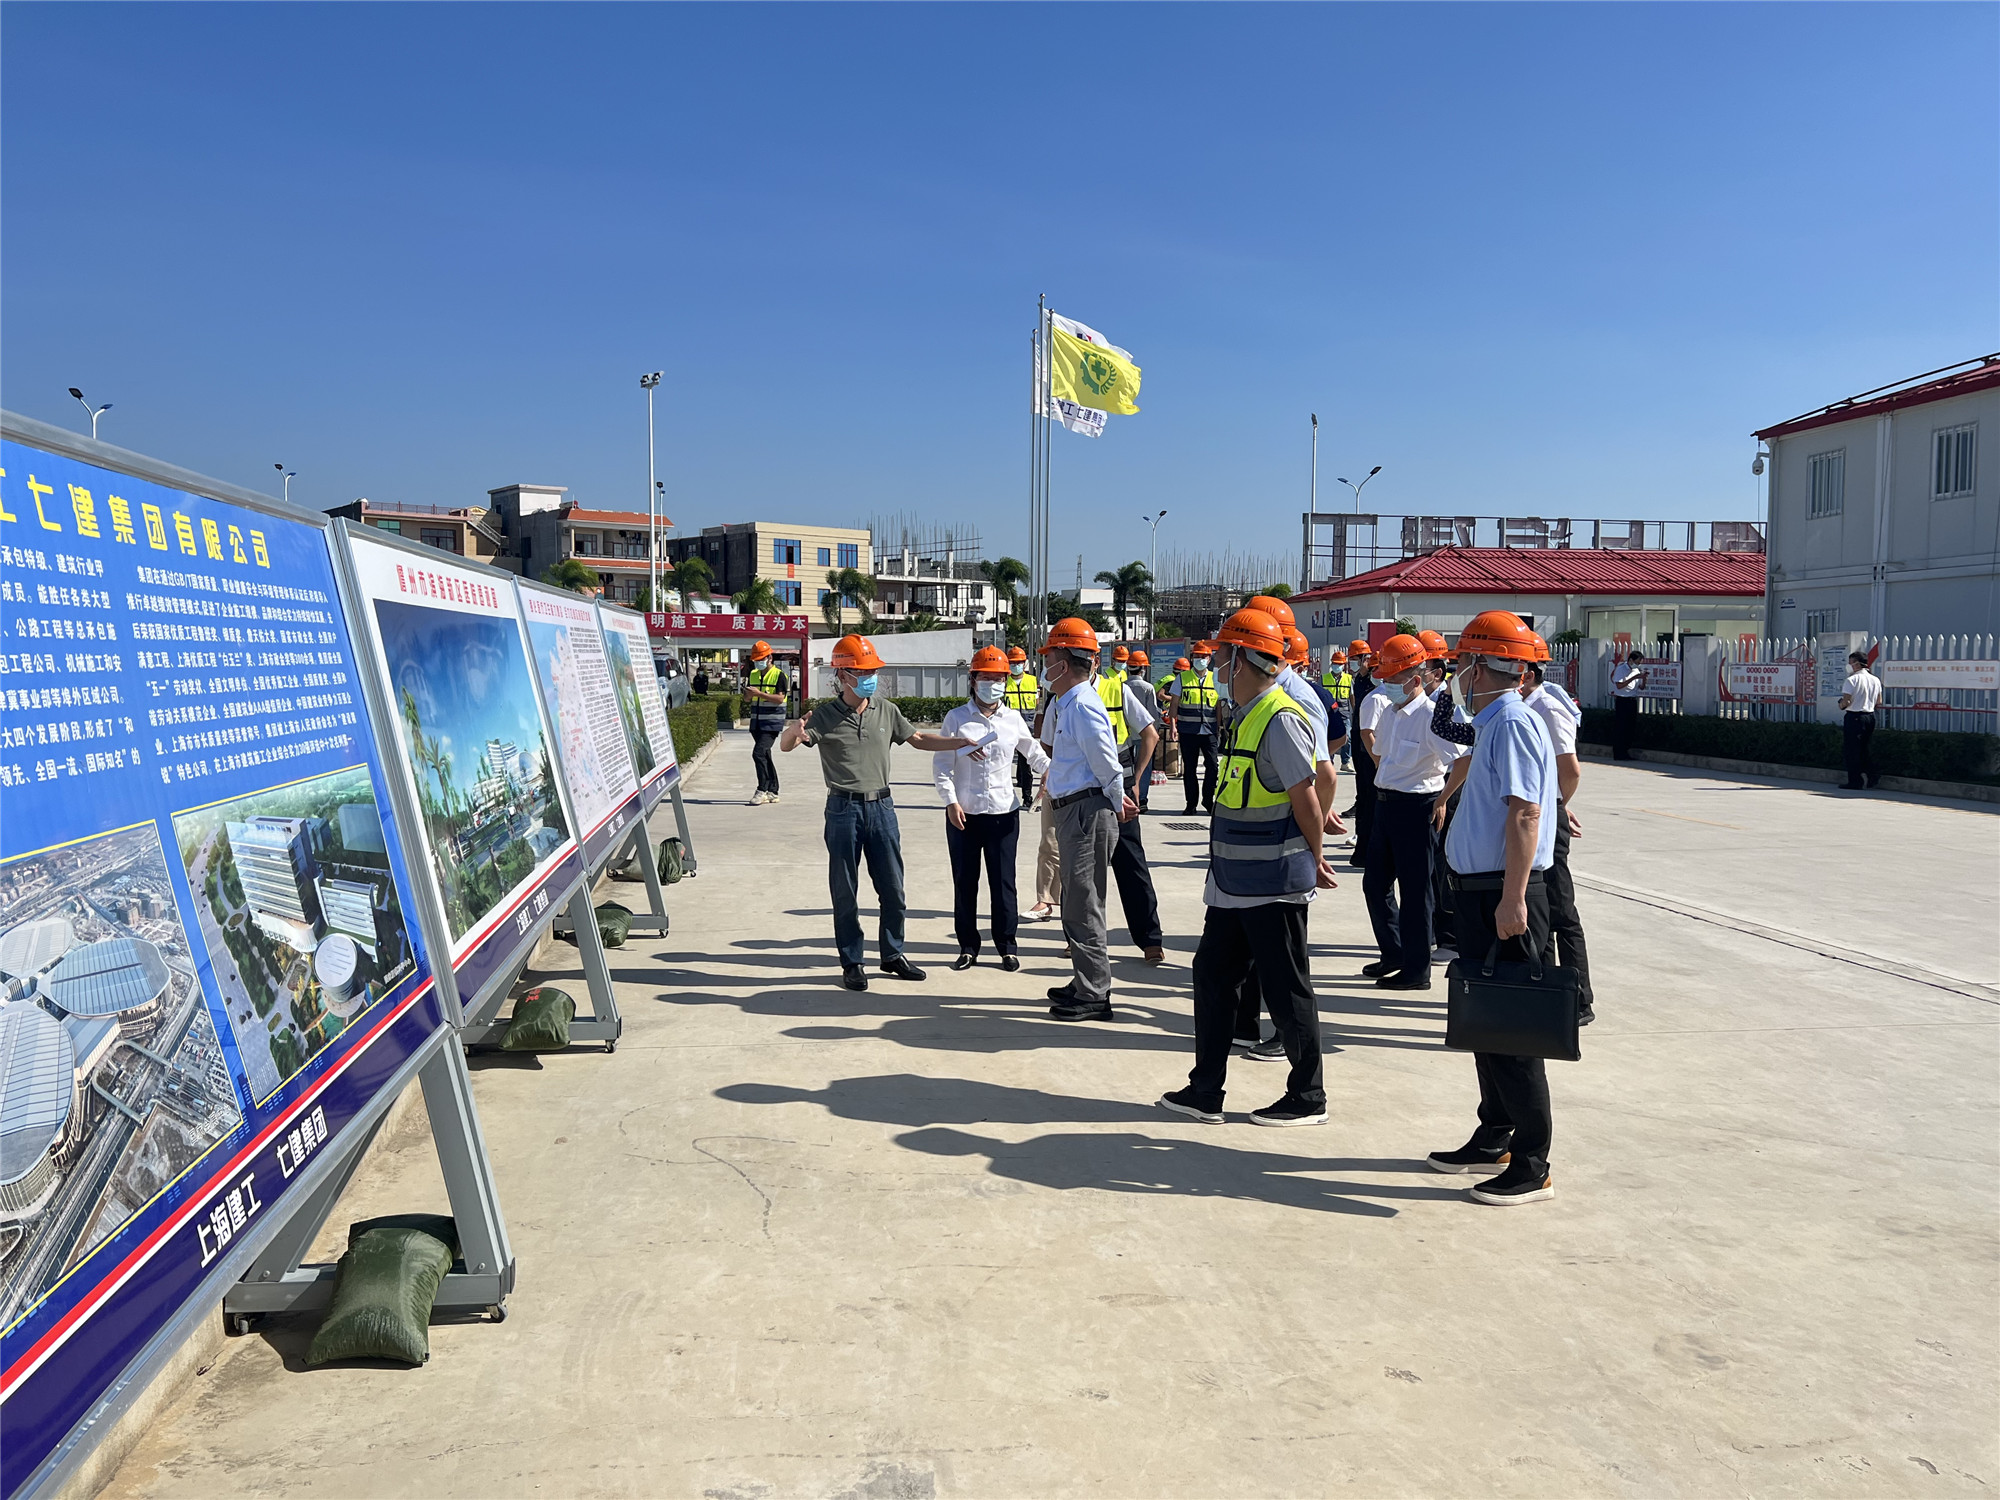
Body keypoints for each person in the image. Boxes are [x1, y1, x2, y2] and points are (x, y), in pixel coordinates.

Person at [1157, 608, 1340, 1128]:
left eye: (1220, 654)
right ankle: (1205, 1090)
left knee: (1286, 989)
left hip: (1273, 883)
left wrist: (1314, 858)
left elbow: (1307, 797)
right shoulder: (1247, 713)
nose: (1214, 663)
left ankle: (1308, 1096)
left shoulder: (1280, 718)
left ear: (1240, 658)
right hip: (1235, 884)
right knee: (1212, 976)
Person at [1428, 609, 1562, 1206]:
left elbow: (1525, 813)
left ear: (1480, 666)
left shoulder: (1510, 723)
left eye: (1461, 662)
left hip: (1503, 893)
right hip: (1482, 889)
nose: (1456, 672)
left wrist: (1512, 898)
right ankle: (1495, 1133)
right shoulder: (1491, 723)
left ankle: (1532, 1162)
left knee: (1512, 1030)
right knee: (1486, 1022)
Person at [780, 634, 972, 991]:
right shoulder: (824, 716)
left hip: (882, 807)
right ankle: (852, 961)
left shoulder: (886, 710)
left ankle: (892, 954)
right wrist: (792, 733)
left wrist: (957, 742)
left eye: (873, 671)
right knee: (845, 890)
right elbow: (788, 745)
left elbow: (918, 739)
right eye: (863, 671)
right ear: (843, 675)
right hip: (843, 809)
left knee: (893, 888)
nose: (871, 677)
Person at [1038, 618, 1140, 1022]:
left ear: (1064, 664)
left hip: (1086, 811)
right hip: (1074, 809)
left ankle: (1095, 992)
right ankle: (1086, 980)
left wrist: (1117, 801)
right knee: (1075, 901)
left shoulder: (1081, 705)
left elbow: (1105, 760)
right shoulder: (1068, 703)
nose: (1045, 667)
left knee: (1084, 904)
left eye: (1049, 659)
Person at [1361, 633, 1465, 991]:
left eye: (1393, 679)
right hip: (1386, 805)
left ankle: (1417, 969)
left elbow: (1463, 760)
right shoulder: (1392, 713)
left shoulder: (1431, 717)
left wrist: (1442, 799)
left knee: (1416, 891)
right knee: (1374, 884)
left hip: (1417, 808)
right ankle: (1394, 953)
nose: (1387, 685)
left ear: (1415, 679)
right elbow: (1384, 756)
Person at [935, 646, 1049, 972]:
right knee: (965, 883)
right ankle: (968, 947)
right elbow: (942, 765)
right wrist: (950, 801)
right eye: (986, 677)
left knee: (1003, 883)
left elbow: (1033, 752)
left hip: (1003, 814)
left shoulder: (1012, 719)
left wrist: (1051, 772)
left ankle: (1007, 947)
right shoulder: (956, 718)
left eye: (998, 678)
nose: (992, 684)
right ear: (973, 680)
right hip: (964, 814)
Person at [1092, 644, 1166, 963]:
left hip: (1120, 791)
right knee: (1082, 869)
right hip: (1081, 793)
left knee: (1131, 864)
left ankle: (1150, 939)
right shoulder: (1061, 696)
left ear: (1095, 661)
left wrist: (1136, 778)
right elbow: (1049, 742)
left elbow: (1151, 734)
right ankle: (1079, 937)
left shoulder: (1117, 690)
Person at [1170, 642, 1221, 813]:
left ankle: (1208, 800)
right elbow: (1174, 704)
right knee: (1190, 768)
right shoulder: (1182, 678)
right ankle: (1191, 804)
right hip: (1188, 730)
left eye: (1203, 657)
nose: (1200, 659)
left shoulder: (1215, 679)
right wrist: (1173, 726)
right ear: (1192, 658)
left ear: (1209, 659)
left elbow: (1218, 706)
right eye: (1197, 656)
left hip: (1209, 730)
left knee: (1213, 766)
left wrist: (1219, 727)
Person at [742, 640, 789, 806]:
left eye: (761, 659)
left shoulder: (779, 675)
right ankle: (773, 791)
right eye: (756, 660)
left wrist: (759, 694)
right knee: (765, 755)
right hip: (756, 723)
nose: (758, 663)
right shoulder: (753, 674)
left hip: (772, 723)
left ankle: (761, 789)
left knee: (758, 753)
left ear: (770, 658)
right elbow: (747, 699)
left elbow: (780, 698)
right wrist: (748, 695)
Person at [1347, 639, 1380, 867]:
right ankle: (1362, 843)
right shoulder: (1359, 681)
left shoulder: (1377, 686)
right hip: (1361, 742)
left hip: (1372, 746)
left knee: (1371, 798)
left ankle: (1368, 845)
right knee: (1364, 796)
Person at [1003, 646, 1041, 809]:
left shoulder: (1032, 681)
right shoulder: (1004, 682)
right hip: (1007, 730)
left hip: (1026, 730)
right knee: (1003, 765)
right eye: (1012, 663)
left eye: (1019, 663)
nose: (1016, 666)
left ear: (1024, 663)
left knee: (1026, 766)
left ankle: (1027, 797)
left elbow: (1037, 703)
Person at [1839, 650, 1883, 790]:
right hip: (1870, 716)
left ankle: (1855, 781)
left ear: (1857, 664)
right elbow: (1879, 701)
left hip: (1854, 717)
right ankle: (1872, 775)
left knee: (1852, 750)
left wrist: (1841, 704)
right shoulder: (1875, 680)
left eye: (1851, 663)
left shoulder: (1851, 680)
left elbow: (1846, 701)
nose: (1849, 666)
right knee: (1865, 748)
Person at [1125, 650, 1160, 810]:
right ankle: (1142, 799)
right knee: (1143, 767)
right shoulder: (1148, 688)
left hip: (1125, 736)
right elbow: (1152, 715)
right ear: (1143, 668)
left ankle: (1128, 797)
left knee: (1126, 768)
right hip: (1143, 736)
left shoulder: (1122, 686)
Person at [1611, 650, 1646, 759]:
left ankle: (1625, 751)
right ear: (1631, 660)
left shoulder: (1636, 670)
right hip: (1622, 700)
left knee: (1630, 727)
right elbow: (1619, 685)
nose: (1638, 664)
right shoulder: (1621, 669)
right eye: (1637, 662)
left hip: (1632, 700)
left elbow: (1641, 687)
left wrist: (1644, 678)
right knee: (1621, 727)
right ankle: (1618, 752)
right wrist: (1634, 677)